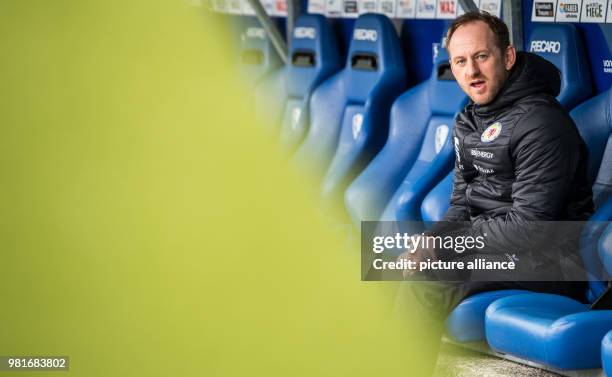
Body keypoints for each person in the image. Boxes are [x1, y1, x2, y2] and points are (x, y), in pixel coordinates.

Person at [394, 11, 594, 375]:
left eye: (481, 57)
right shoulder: (469, 119)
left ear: (508, 57)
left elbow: (529, 228)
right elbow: (460, 204)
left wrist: (445, 248)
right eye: (460, 61)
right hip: (496, 250)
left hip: (546, 261)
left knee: (426, 281)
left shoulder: (542, 123)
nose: (471, 72)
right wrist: (429, 242)